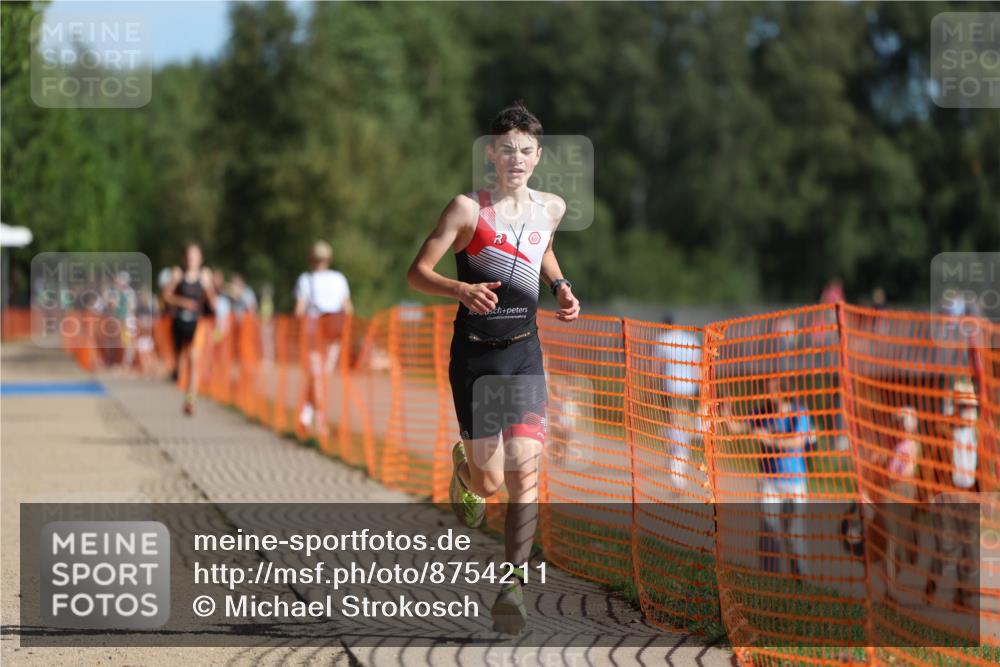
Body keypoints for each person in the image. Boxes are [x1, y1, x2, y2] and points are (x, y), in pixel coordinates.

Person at [406, 102, 580, 634]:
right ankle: (463, 470)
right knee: (487, 479)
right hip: (476, 357)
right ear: (491, 154)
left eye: (526, 150)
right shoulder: (466, 210)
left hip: (524, 354)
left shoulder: (551, 207)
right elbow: (416, 273)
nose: (516, 159)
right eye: (506, 149)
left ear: (538, 156)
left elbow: (540, 248)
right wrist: (460, 288)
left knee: (525, 471)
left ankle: (512, 586)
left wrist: (559, 285)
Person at [926, 379, 980, 610]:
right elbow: (929, 464)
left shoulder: (980, 432)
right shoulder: (942, 429)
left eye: (971, 407)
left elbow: (985, 466)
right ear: (956, 406)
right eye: (964, 407)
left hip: (971, 496)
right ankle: (930, 588)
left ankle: (963, 595)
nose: (969, 411)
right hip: (946, 497)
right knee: (946, 546)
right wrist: (930, 493)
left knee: (970, 548)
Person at [294, 240, 353, 441]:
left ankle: (314, 418)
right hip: (333, 333)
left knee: (317, 377)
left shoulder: (305, 279)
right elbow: (347, 308)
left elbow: (299, 310)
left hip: (313, 333)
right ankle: (311, 417)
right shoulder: (339, 278)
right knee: (321, 377)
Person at [161, 243, 216, 415]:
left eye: (195, 256)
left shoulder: (205, 275)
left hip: (196, 324)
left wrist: (207, 287)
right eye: (189, 256)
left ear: (201, 259)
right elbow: (165, 296)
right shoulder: (178, 274)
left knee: (193, 359)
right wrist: (183, 302)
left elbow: (213, 303)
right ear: (185, 258)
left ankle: (190, 400)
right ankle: (176, 371)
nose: (192, 259)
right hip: (178, 322)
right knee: (179, 360)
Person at [652, 313, 703, 493]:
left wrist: (654, 391)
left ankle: (677, 473)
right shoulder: (691, 339)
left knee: (674, 430)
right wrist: (698, 391)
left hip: (671, 390)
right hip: (689, 391)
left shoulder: (663, 340)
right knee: (682, 431)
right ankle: (677, 466)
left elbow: (657, 369)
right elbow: (698, 368)